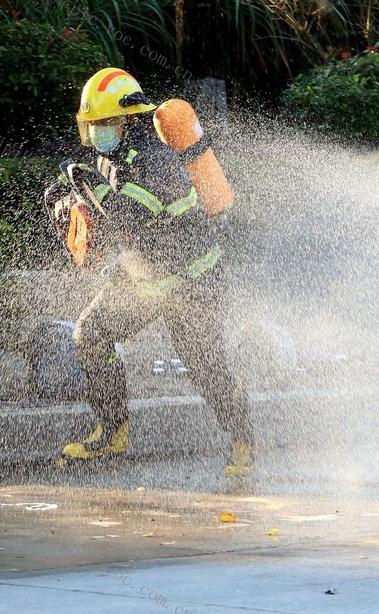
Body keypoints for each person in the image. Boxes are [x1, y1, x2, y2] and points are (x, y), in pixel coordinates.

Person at [61, 67, 254, 476]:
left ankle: (243, 439)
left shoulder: (158, 157)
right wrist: (69, 206)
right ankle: (113, 431)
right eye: (91, 126)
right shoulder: (110, 157)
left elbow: (137, 213)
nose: (97, 133)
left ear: (130, 120)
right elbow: (110, 220)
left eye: (104, 124)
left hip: (193, 282)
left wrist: (92, 190)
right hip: (146, 279)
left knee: (205, 366)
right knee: (91, 335)